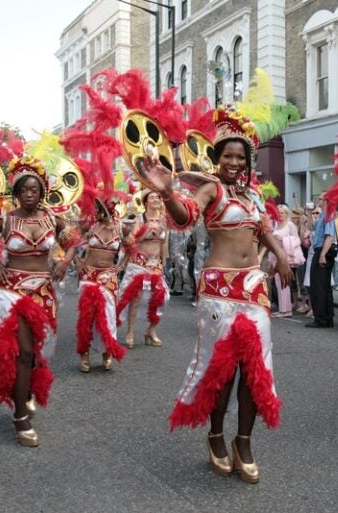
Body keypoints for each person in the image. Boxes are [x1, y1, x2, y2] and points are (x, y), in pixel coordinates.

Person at [141, 105, 293, 484]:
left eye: (240, 157)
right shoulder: (212, 188)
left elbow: (263, 230)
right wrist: (168, 192)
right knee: (222, 369)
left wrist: (281, 254)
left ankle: (244, 442)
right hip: (220, 288)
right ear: (217, 157)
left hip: (254, 285)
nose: (234, 161)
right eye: (228, 155)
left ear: (247, 160)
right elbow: (186, 215)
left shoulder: (254, 196)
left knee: (254, 369)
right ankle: (215, 436)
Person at [0, 156, 80, 447]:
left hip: (43, 290)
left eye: (35, 189)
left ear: (42, 192)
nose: (30, 194)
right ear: (16, 192)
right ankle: (20, 418)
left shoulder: (53, 219)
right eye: (25, 190)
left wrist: (64, 261)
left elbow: (74, 243)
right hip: (11, 291)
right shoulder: (5, 219)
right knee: (24, 352)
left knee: (42, 352)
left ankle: (25, 390)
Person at [76, 198, 128, 372]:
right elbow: (68, 241)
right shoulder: (89, 225)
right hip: (89, 275)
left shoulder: (121, 228)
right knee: (87, 316)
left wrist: (121, 266)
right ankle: (84, 354)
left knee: (108, 315)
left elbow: (133, 246)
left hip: (109, 277)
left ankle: (107, 351)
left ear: (107, 209)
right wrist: (76, 261)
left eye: (97, 208)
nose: (93, 211)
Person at [117, 190, 169, 348]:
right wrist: (147, 231)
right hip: (139, 263)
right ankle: (130, 332)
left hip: (155, 264)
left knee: (161, 298)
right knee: (135, 298)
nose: (155, 199)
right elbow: (133, 240)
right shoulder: (140, 219)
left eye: (158, 197)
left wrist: (164, 262)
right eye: (152, 197)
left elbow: (164, 242)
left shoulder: (163, 220)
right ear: (145, 202)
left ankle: (151, 331)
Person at [306, 195, 336, 328]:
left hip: (323, 250)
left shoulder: (328, 215)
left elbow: (329, 237)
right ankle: (325, 317)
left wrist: (322, 254)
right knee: (321, 285)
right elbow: (312, 227)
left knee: (319, 286)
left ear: (325, 201)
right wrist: (308, 212)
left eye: (320, 199)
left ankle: (322, 318)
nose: (318, 200)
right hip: (320, 249)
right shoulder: (323, 215)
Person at [270, 203, 304, 317]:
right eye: (278, 213)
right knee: (278, 283)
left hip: (285, 257)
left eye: (282, 213)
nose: (280, 215)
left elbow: (297, 240)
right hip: (276, 256)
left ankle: (286, 310)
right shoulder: (275, 225)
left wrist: (283, 239)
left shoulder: (290, 225)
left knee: (284, 282)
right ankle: (282, 309)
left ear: (286, 214)